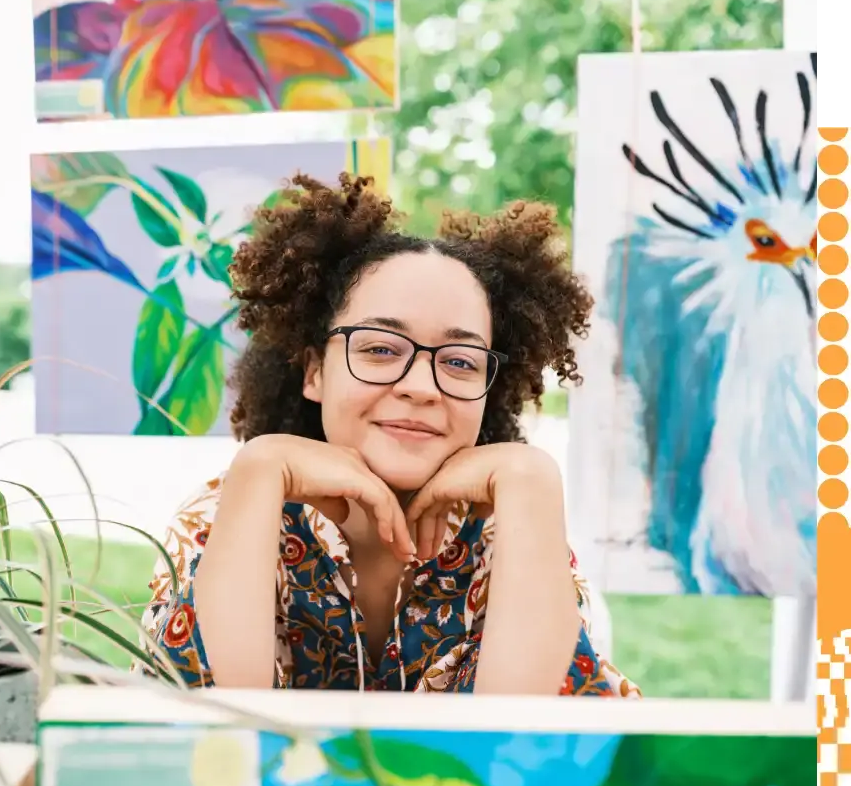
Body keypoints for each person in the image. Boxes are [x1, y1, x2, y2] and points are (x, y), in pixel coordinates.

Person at [141, 173, 640, 698]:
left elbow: (519, 735)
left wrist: (531, 475)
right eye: (380, 349)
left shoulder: (512, 527)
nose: (422, 387)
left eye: (460, 361)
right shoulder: (227, 512)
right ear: (314, 371)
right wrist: (261, 468)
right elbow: (220, 732)